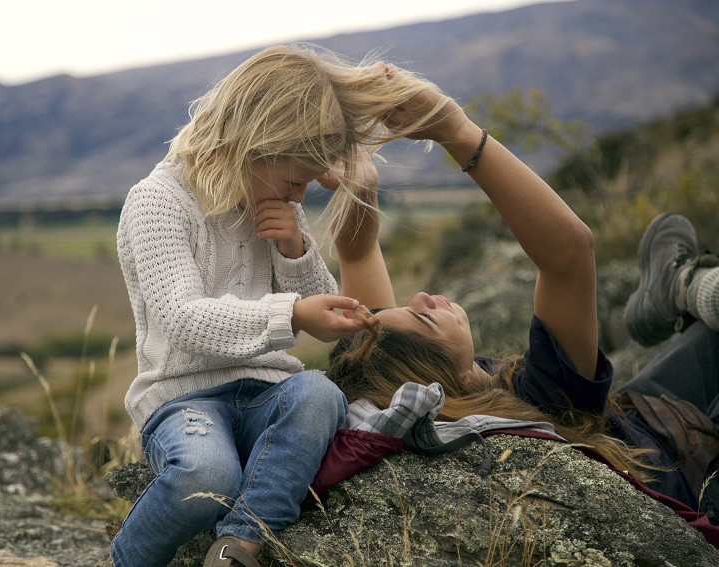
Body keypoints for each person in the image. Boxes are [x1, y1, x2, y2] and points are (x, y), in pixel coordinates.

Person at [322, 69, 719, 524]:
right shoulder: (541, 401)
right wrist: (454, 129)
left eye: (404, 307)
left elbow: (358, 259)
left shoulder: (424, 378)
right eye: (425, 319)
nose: (423, 297)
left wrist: (360, 185)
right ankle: (684, 286)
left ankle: (684, 289)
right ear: (450, 383)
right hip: (686, 456)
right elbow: (570, 253)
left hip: (647, 409)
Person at [110, 45, 448, 567]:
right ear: (257, 144)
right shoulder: (157, 202)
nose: (302, 193)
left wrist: (295, 250)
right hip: (185, 398)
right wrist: (291, 314)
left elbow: (322, 308)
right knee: (208, 476)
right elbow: (182, 320)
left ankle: (238, 543)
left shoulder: (277, 206)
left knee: (317, 392)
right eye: (297, 180)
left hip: (269, 392)